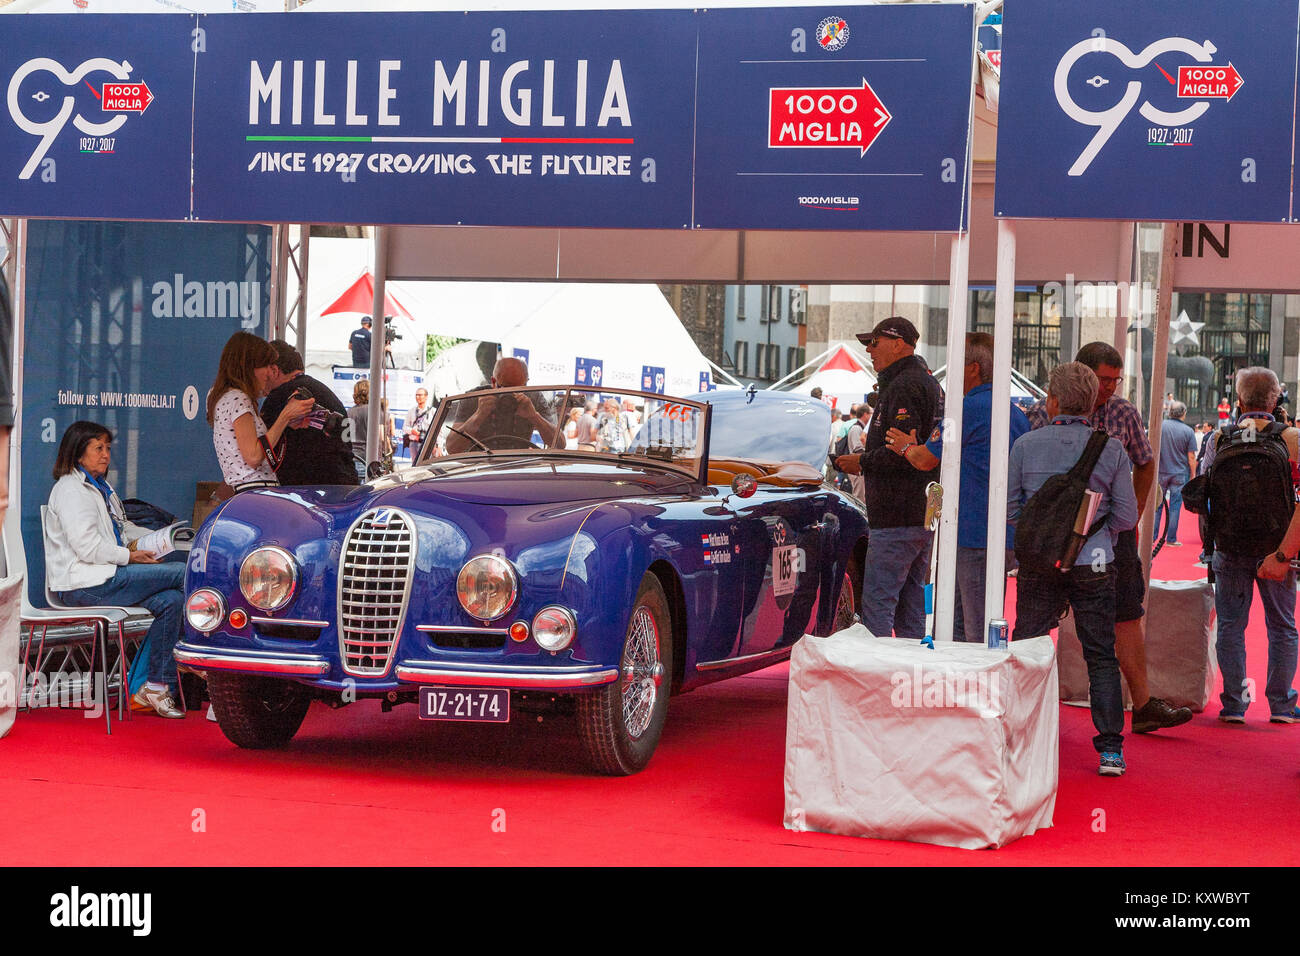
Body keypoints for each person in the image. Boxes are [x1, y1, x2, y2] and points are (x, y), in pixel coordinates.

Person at [1024, 342, 1191, 734]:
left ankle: (1144, 704)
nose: (1111, 388)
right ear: (1080, 374)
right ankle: (1028, 708)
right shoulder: (1040, 412)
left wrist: (1125, 517)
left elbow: (1146, 463)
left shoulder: (1123, 413)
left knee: (1126, 613)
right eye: (1104, 380)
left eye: (1115, 380)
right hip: (1051, 538)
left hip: (1108, 537)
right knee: (1035, 621)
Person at [1009, 363, 1138, 775]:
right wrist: (1093, 536)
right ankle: (1111, 750)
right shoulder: (1111, 448)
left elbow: (1011, 509)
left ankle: (1020, 735)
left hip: (1039, 563)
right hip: (1094, 561)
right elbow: (1126, 516)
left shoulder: (1026, 445)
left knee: (1027, 647)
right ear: (1094, 404)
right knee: (1100, 653)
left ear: (1052, 400)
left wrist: (1045, 532)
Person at [885, 333, 1030, 642]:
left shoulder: (965, 411)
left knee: (970, 627)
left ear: (973, 368)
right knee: (977, 620)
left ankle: (977, 684)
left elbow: (925, 459)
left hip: (971, 533)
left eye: (956, 364)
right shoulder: (1016, 414)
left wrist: (904, 447)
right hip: (1002, 533)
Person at [45, 422, 187, 719]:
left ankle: (153, 687)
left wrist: (160, 536)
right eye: (99, 448)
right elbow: (87, 547)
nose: (106, 455)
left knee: (173, 601)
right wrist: (130, 557)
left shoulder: (101, 487)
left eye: (108, 448)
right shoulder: (71, 489)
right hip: (84, 583)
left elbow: (120, 529)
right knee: (186, 575)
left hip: (107, 575)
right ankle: (204, 666)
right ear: (78, 453)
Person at [834, 316, 943, 639]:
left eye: (875, 342)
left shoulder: (905, 385)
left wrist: (862, 462)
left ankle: (878, 681)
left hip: (899, 513)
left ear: (899, 344)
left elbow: (901, 452)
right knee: (910, 605)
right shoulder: (924, 381)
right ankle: (911, 678)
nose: (869, 349)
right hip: (924, 511)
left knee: (879, 605)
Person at [1205, 368, 1300, 723]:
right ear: (1275, 400)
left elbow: (1204, 493)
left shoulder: (1219, 440)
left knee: (1231, 625)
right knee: (1282, 625)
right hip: (1278, 548)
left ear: (1239, 401)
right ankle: (1281, 704)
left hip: (1230, 546)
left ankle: (1234, 703)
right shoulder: (1292, 439)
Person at [207, 332, 315, 491]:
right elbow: (253, 456)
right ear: (249, 366)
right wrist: (285, 416)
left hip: (247, 490)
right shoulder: (238, 399)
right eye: (266, 365)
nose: (270, 373)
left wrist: (286, 424)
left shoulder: (220, 396)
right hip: (256, 489)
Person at [259, 340, 358, 486]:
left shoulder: (280, 395)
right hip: (343, 481)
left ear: (274, 370)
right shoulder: (322, 391)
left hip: (309, 491)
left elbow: (259, 448)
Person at [445, 357, 558, 453]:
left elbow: (559, 443)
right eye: (505, 388)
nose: (510, 395)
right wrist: (479, 415)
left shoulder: (533, 398)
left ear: (526, 383)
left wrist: (534, 416)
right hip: (479, 466)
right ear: (493, 382)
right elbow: (452, 448)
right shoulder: (475, 397)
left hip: (518, 465)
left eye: (518, 389)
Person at [1152, 401, 1197, 546]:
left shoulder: (1160, 426)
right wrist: (1193, 475)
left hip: (1161, 470)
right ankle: (1171, 538)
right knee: (1175, 505)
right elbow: (1191, 457)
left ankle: (1152, 536)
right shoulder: (1188, 431)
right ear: (1183, 413)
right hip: (1179, 472)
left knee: (1157, 504)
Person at [845, 403, 870, 502]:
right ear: (865, 414)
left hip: (859, 468)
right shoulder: (857, 428)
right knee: (859, 498)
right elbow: (857, 449)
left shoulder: (859, 428)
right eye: (870, 413)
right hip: (858, 469)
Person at [347, 379, 371, 480]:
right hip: (368, 460)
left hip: (352, 458)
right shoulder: (373, 411)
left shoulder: (349, 411)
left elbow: (345, 438)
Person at [404, 387, 435, 463]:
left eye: (420, 395)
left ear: (426, 397)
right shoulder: (411, 411)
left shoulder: (432, 411)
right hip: (414, 443)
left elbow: (438, 431)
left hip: (427, 443)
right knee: (415, 465)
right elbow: (405, 427)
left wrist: (438, 446)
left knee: (427, 464)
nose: (418, 397)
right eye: (416, 395)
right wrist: (412, 431)